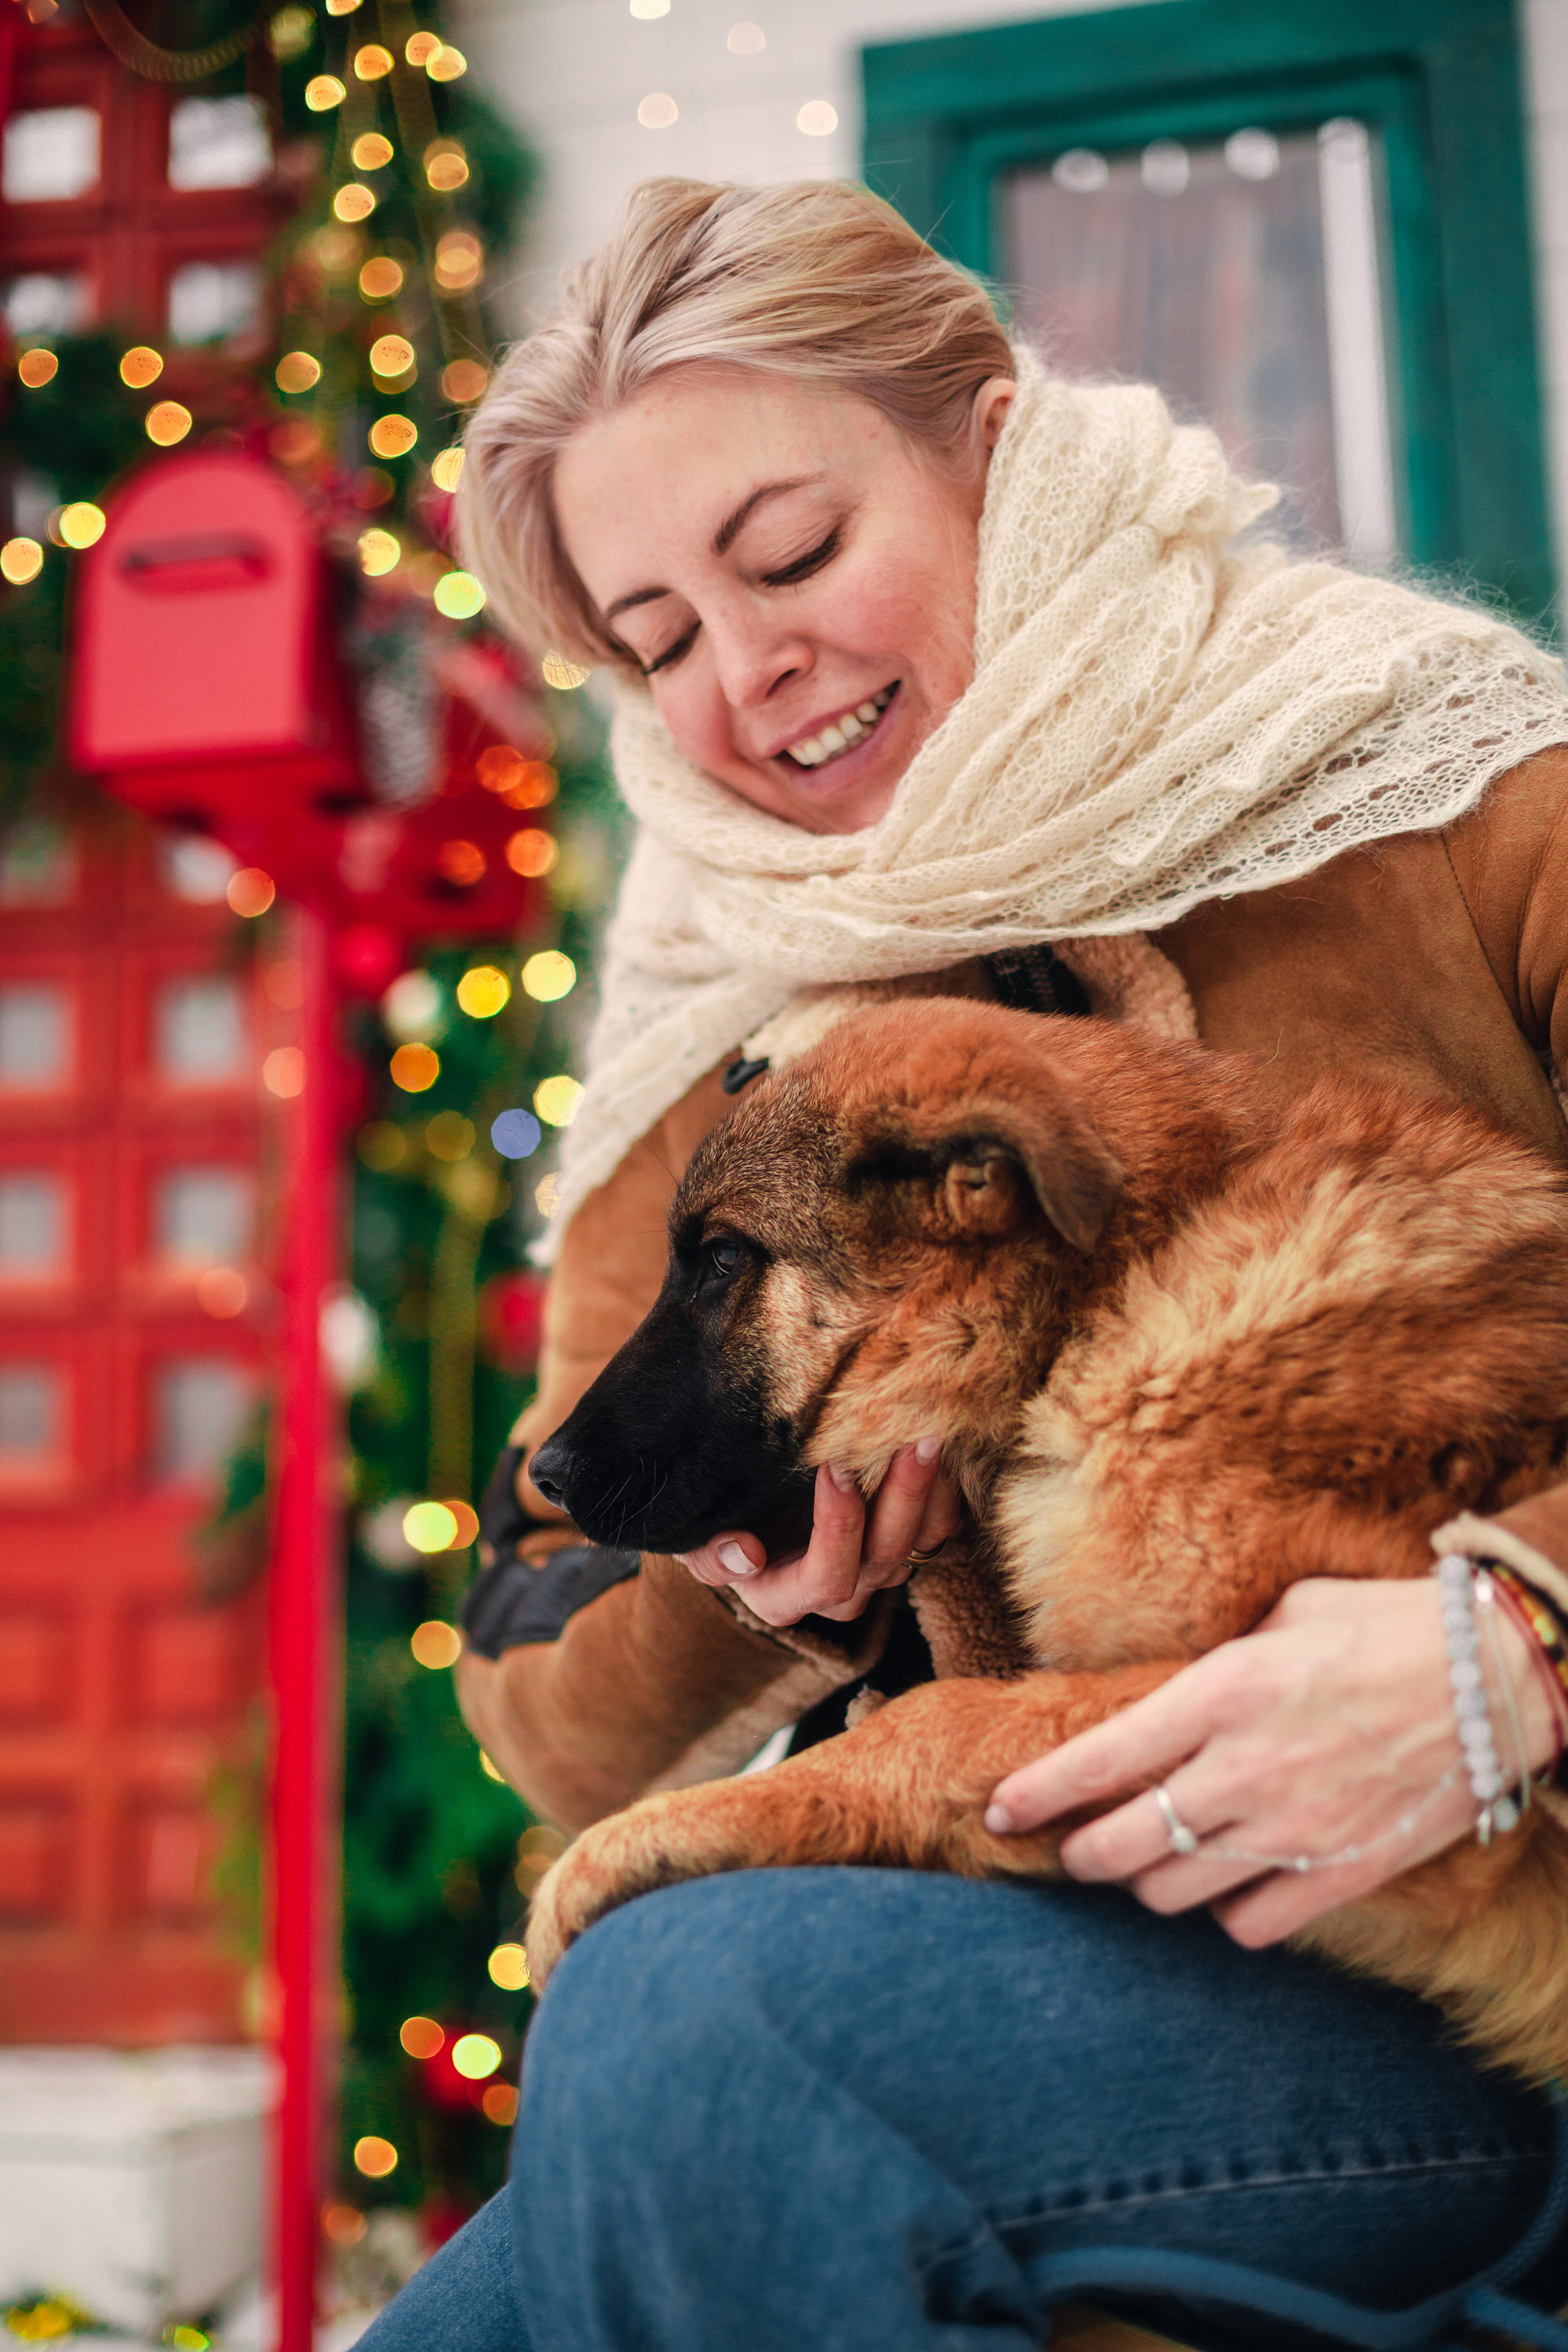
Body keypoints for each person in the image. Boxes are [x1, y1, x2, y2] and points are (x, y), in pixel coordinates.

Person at [361, 178, 1568, 2352]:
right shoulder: (711, 1009)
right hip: (1008, 1913)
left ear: (1002, 454)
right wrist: (741, 1571)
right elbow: (535, 1657)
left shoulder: (1452, 795)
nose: (747, 673)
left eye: (794, 553)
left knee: (705, 2009)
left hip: (1469, 1939)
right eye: (655, 637)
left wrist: (1519, 1646)